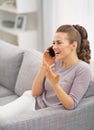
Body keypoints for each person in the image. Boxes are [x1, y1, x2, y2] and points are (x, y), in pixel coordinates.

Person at [0, 24, 91, 119]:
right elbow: (35, 93)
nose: (54, 47)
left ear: (73, 45)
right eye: (54, 43)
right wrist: (44, 65)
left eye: (59, 43)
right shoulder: (56, 61)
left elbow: (71, 104)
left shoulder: (83, 70)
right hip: (31, 102)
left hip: (40, 111)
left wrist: (55, 85)